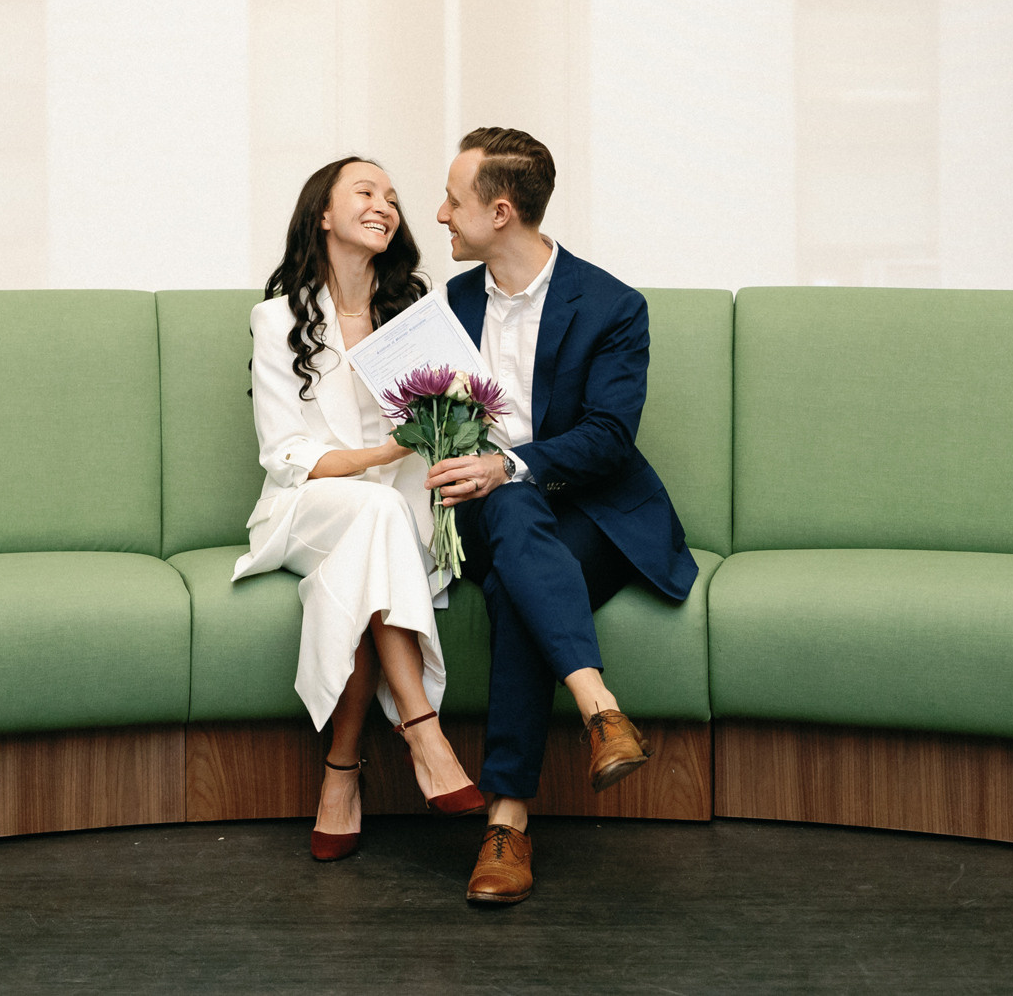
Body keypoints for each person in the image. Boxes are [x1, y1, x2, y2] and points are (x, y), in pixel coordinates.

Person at [424, 127, 699, 906]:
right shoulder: (452, 301)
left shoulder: (611, 305)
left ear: (501, 211)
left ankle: (506, 820)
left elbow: (610, 437)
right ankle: (600, 709)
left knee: (519, 566)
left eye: (454, 199)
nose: (440, 213)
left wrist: (507, 464)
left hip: (594, 513)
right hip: (487, 513)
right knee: (510, 515)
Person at [239, 155, 485, 862]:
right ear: (323, 212)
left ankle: (341, 770)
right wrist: (386, 457)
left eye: (393, 198)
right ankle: (423, 730)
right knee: (374, 516)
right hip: (304, 507)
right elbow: (287, 453)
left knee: (369, 546)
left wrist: (451, 424)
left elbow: (456, 412)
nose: (385, 205)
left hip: (395, 509)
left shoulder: (414, 313)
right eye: (366, 192)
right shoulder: (276, 318)